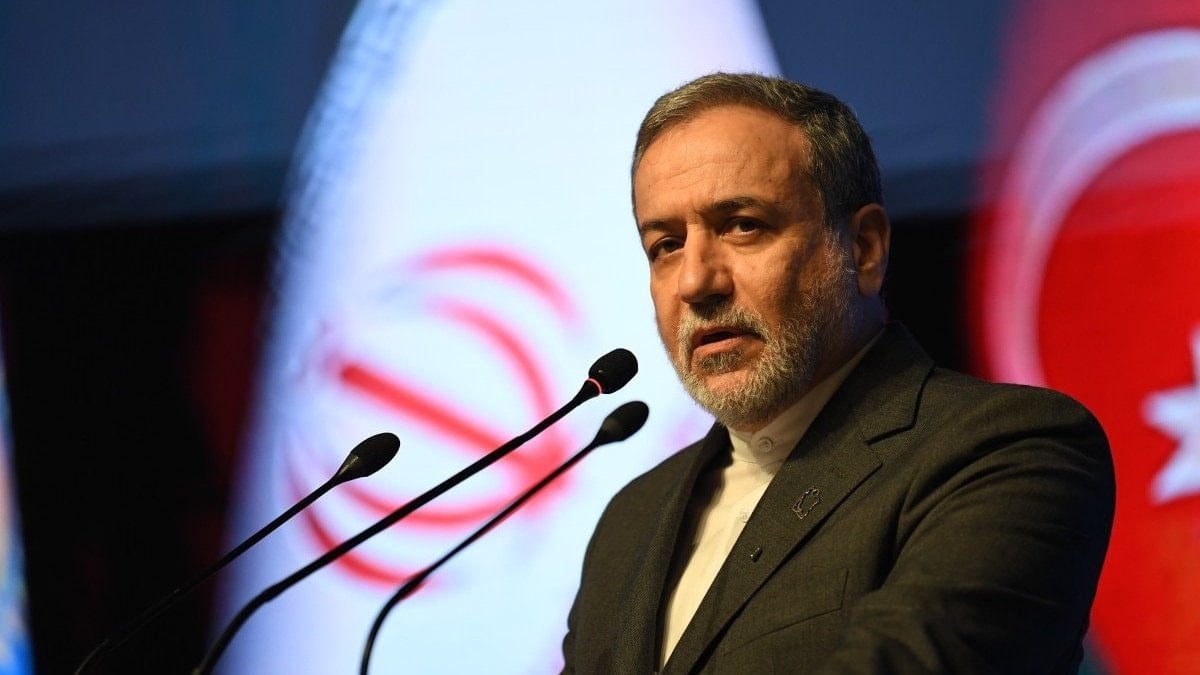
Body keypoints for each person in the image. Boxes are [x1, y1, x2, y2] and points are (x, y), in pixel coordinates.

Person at [561, 73, 1115, 674]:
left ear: (864, 249)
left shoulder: (1008, 448)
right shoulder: (631, 521)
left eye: (743, 225)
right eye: (666, 245)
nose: (695, 282)